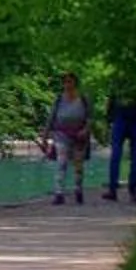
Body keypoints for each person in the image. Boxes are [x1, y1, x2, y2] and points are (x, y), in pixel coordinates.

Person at [43, 71, 93, 204]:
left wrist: (85, 130)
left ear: (75, 83)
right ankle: (59, 193)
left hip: (79, 135)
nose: (67, 84)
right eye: (65, 82)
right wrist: (45, 136)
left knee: (78, 164)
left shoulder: (83, 99)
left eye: (70, 81)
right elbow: (51, 117)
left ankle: (78, 189)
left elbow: (89, 118)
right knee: (61, 162)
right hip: (61, 134)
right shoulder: (59, 99)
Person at [103, 89, 136, 203]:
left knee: (117, 155)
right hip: (135, 118)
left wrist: (108, 118)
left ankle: (114, 190)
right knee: (134, 156)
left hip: (123, 117)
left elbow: (111, 98)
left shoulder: (118, 83)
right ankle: (132, 191)